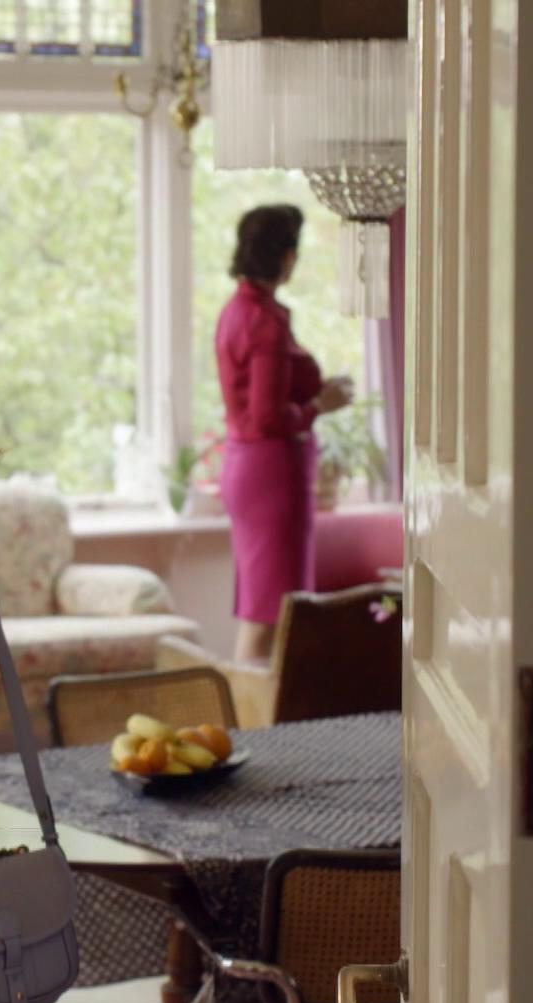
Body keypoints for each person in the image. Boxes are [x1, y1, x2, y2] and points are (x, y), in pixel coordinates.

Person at [215, 204, 353, 663]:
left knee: (265, 610)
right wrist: (320, 405)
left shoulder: (239, 311)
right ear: (288, 255)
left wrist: (314, 394)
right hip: (271, 474)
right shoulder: (264, 322)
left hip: (251, 467)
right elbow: (267, 418)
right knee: (271, 614)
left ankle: (254, 706)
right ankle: (253, 709)